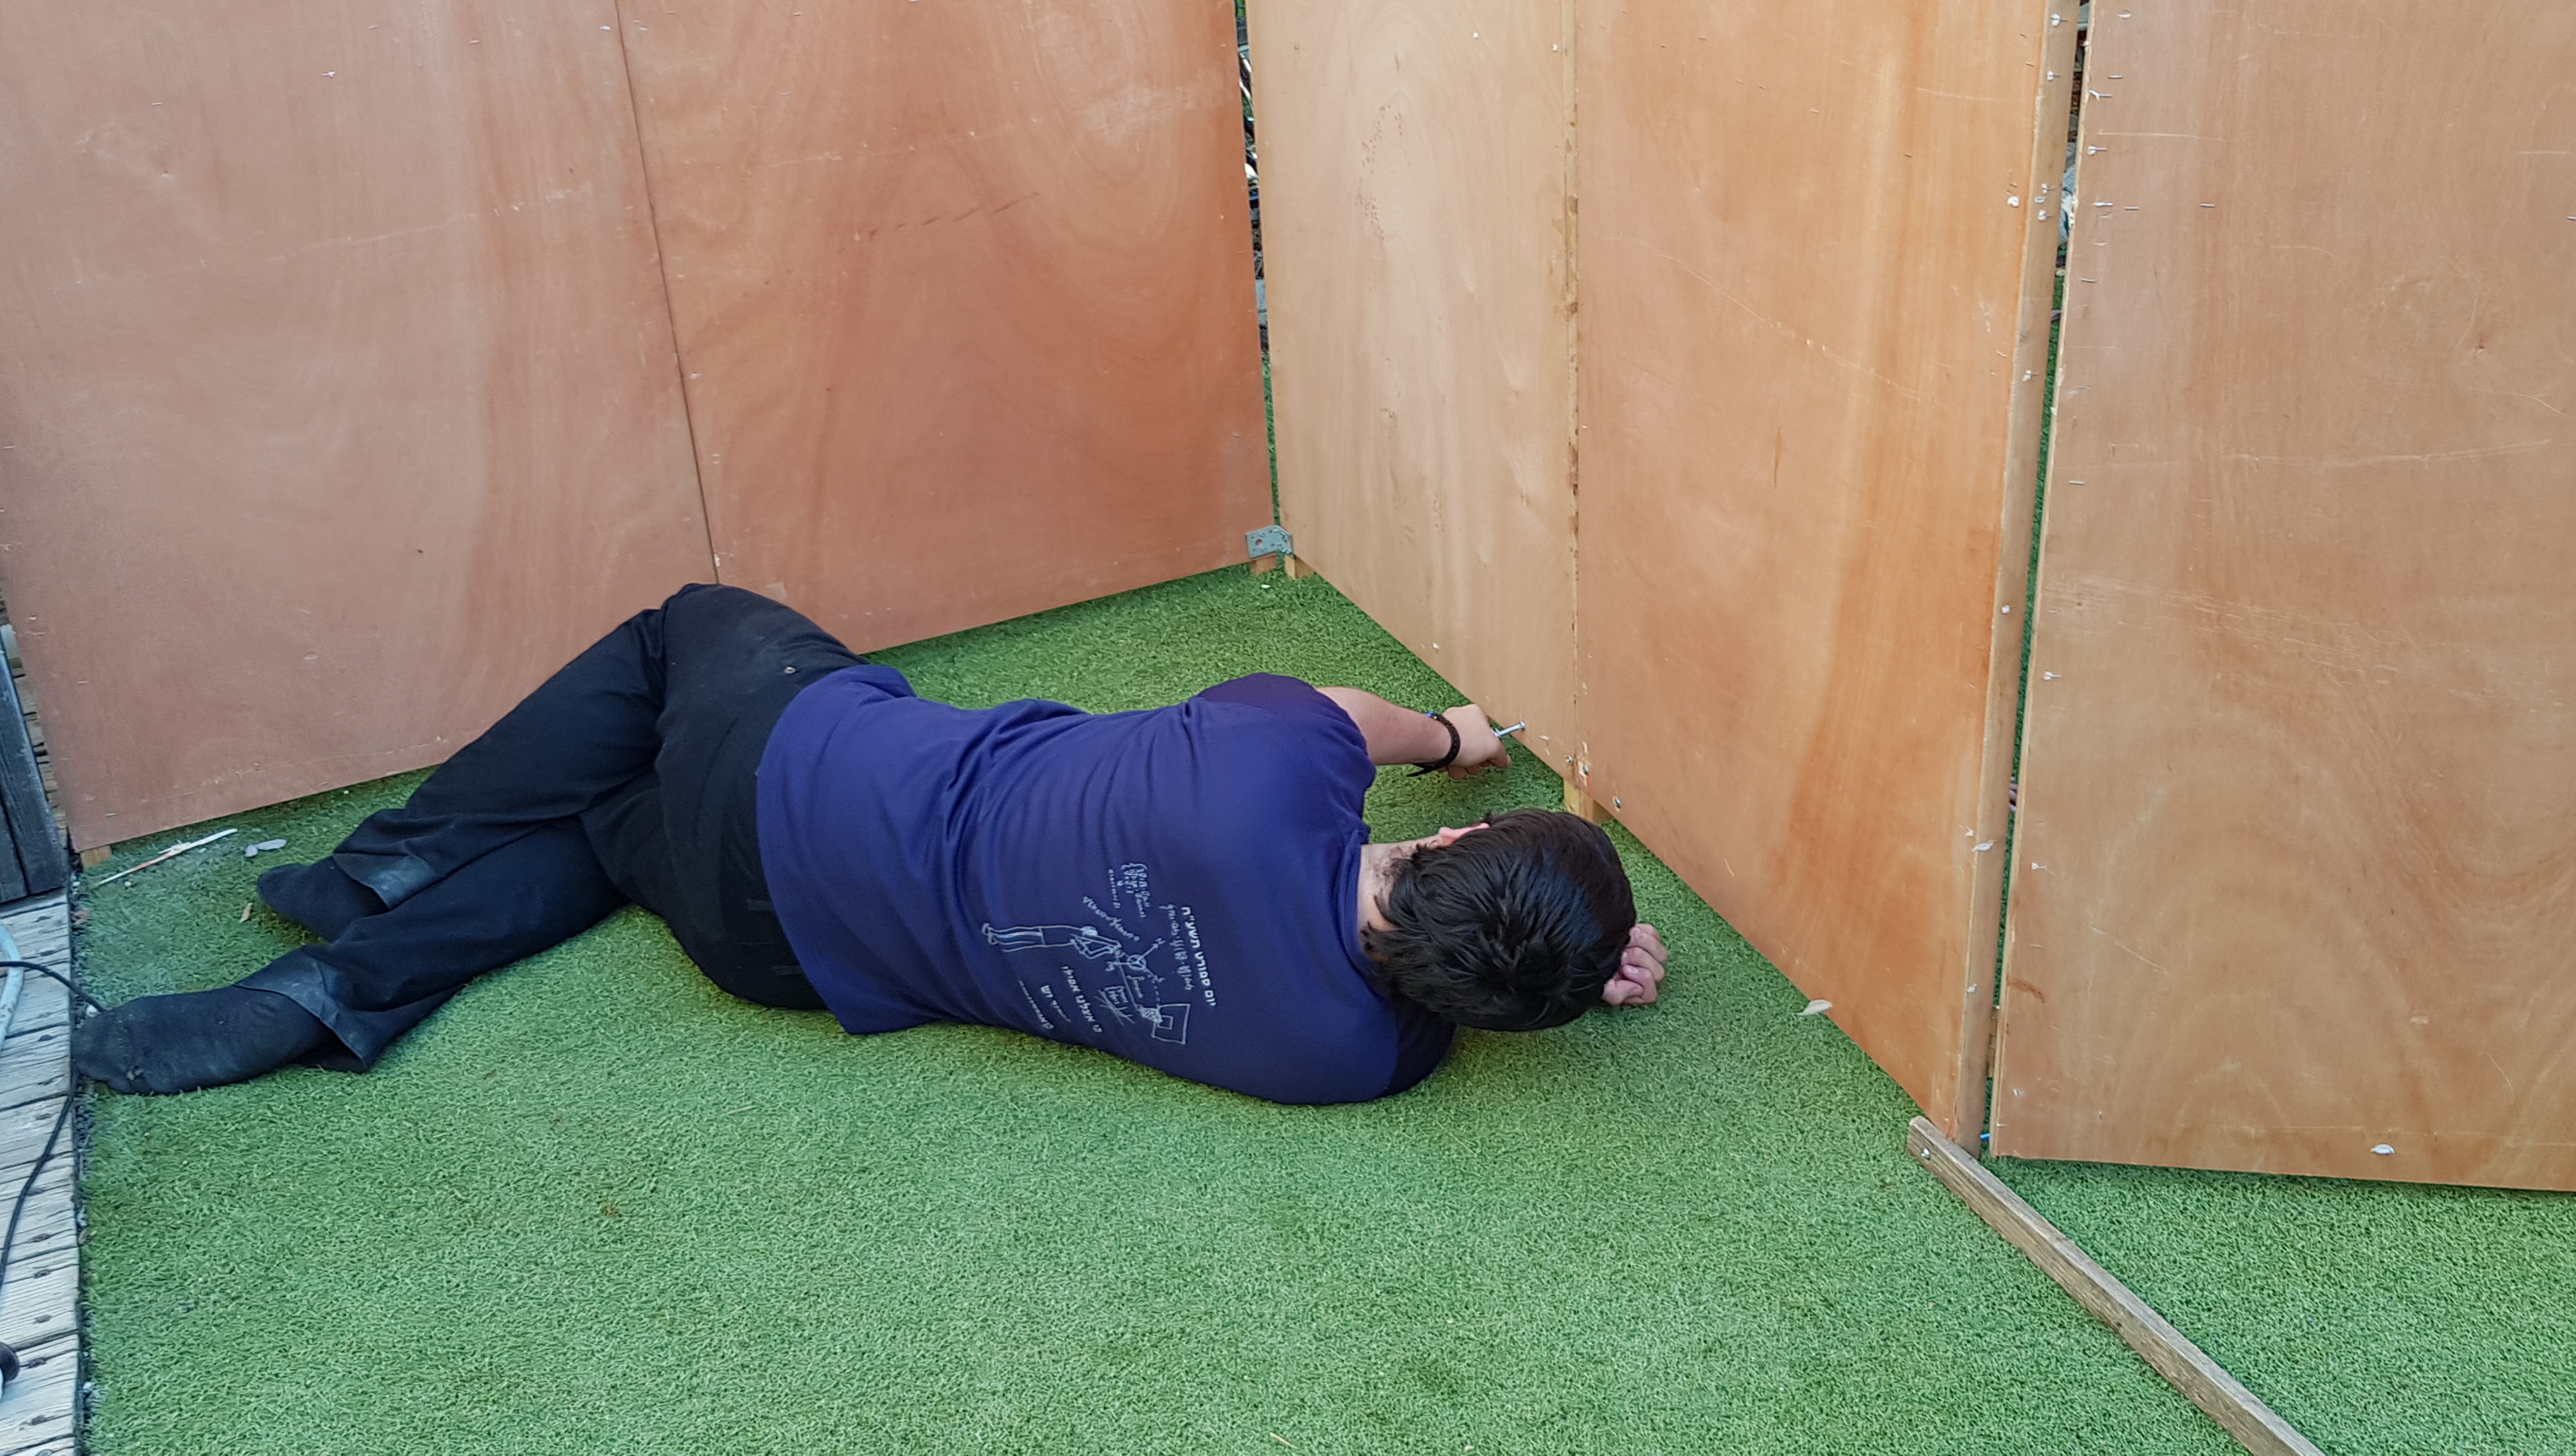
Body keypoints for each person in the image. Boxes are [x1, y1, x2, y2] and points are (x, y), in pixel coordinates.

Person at [74, 585, 1668, 1104]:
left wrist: (1451, 733)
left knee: (684, 632)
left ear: (1461, 832)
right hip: (773, 953)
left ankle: (385, 862)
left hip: (800, 782)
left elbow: (1371, 726)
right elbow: (1463, 986)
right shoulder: (1363, 1061)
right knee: (612, 823)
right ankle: (339, 993)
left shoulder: (1276, 761)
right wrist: (1571, 969)